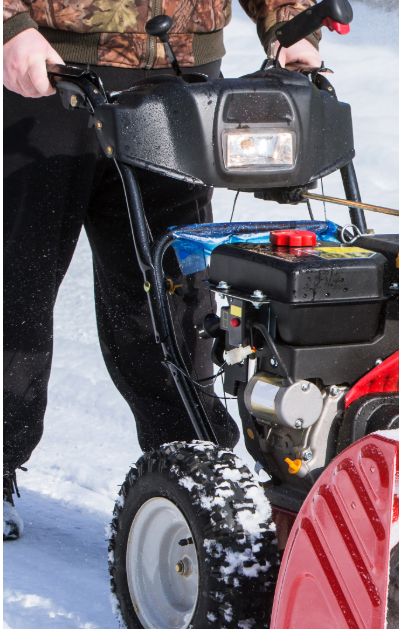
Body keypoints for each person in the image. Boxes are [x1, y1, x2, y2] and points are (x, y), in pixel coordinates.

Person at [3, 0, 323, 539]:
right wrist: (9, 27)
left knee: (171, 299)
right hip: (41, 73)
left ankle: (192, 480)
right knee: (18, 287)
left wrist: (290, 24)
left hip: (182, 84)